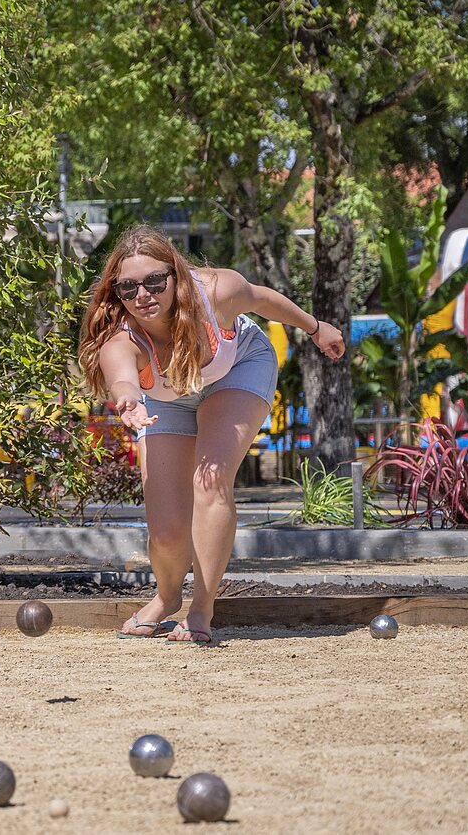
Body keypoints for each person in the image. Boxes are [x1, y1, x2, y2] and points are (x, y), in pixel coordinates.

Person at [78, 225, 345, 643]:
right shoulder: (121, 337)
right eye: (128, 287)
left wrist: (315, 327)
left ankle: (201, 607)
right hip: (166, 401)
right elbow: (123, 378)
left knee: (210, 479)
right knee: (166, 531)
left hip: (236, 371)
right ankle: (166, 598)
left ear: (175, 275)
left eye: (154, 281)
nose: (143, 295)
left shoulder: (217, 291)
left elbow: (264, 301)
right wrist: (128, 401)